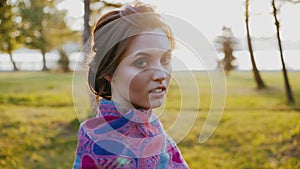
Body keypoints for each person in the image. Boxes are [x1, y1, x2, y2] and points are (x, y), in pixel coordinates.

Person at [73, 2, 189, 168]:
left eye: (165, 60)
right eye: (141, 62)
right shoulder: (98, 141)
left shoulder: (152, 125)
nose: (160, 74)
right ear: (108, 70)